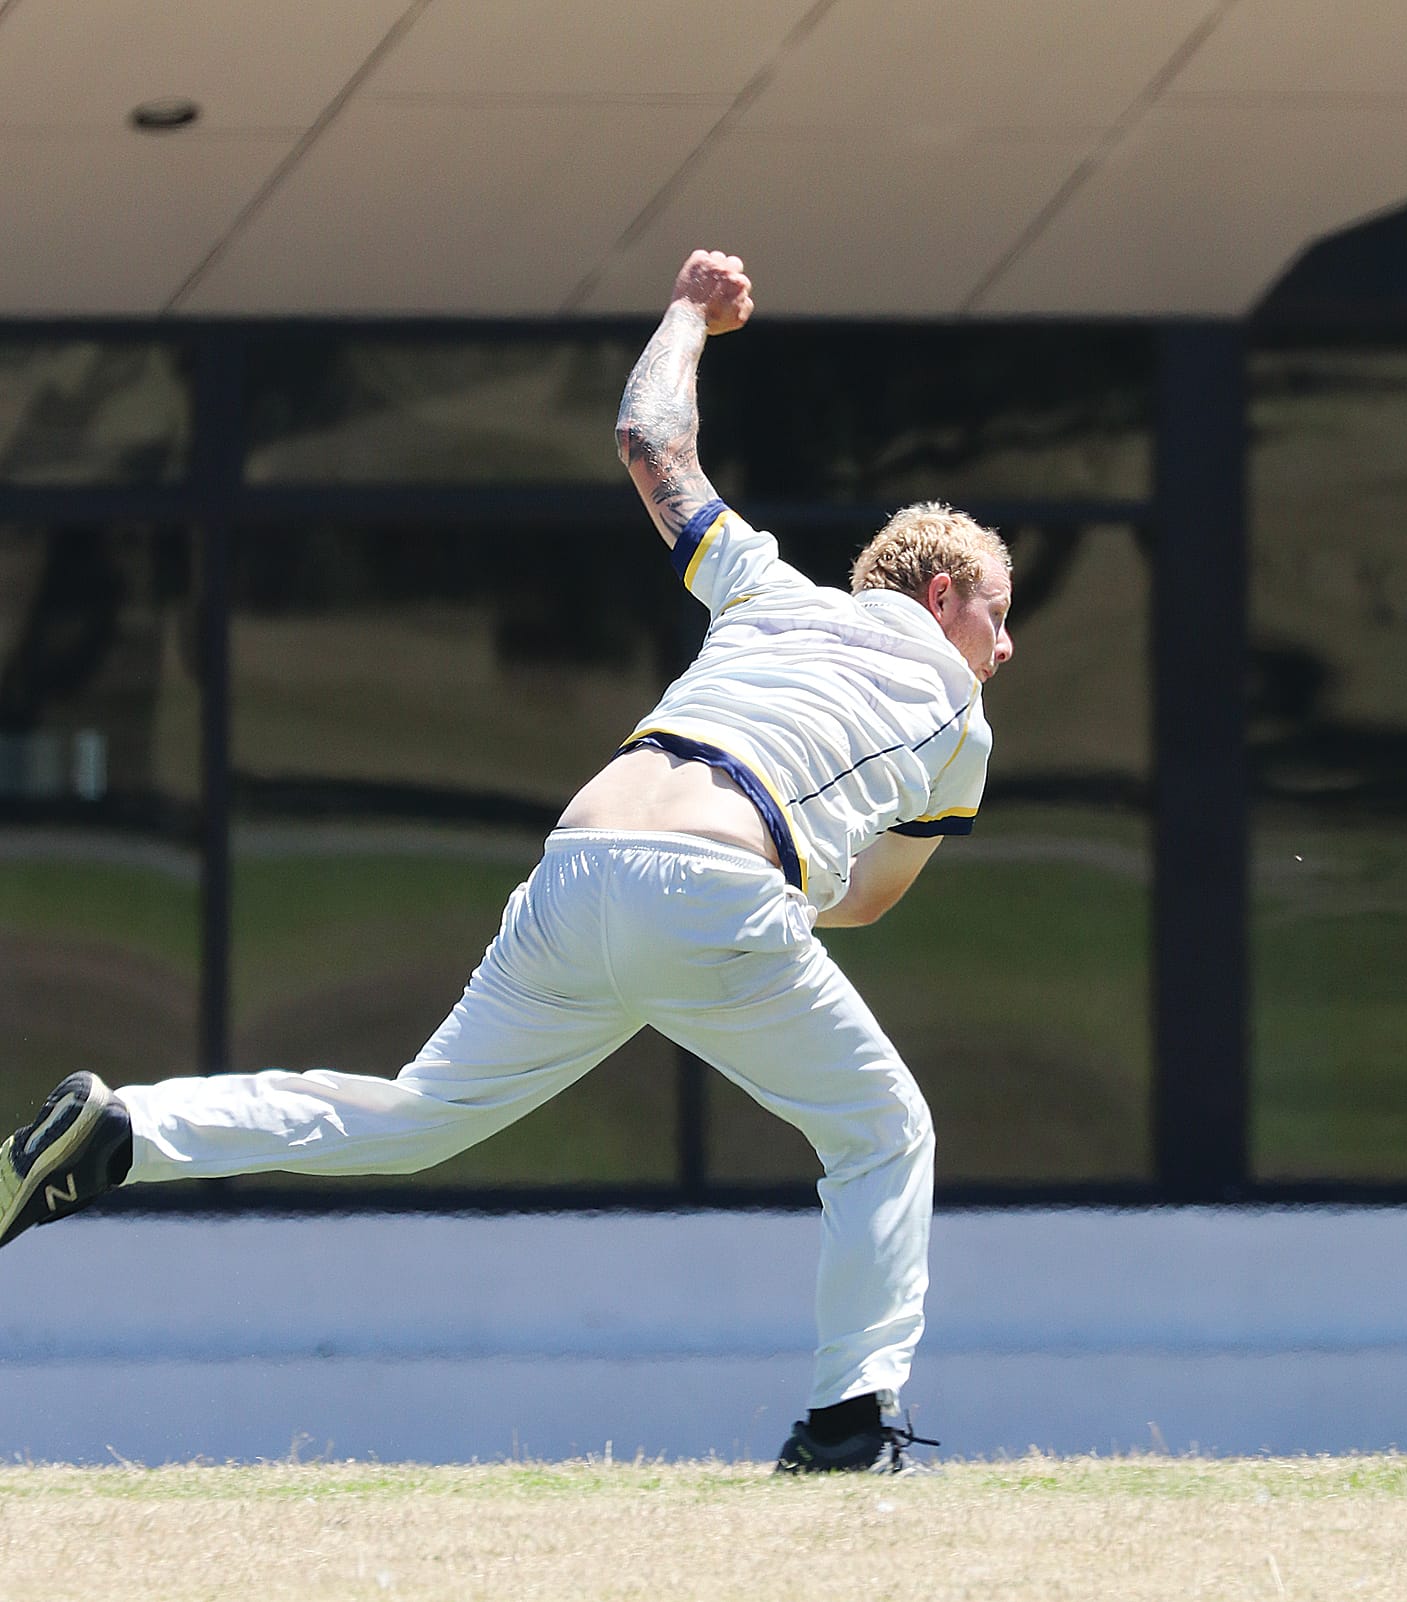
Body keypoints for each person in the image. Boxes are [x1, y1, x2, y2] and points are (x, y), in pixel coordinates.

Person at [0, 249, 1014, 1476]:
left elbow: (649, 439)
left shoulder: (764, 588)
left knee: (418, 1116)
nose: (1003, 647)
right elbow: (863, 903)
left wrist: (688, 313)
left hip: (574, 867)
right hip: (714, 888)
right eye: (997, 616)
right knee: (885, 1132)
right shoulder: (957, 719)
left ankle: (126, 1131)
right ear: (942, 591)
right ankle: (851, 1424)